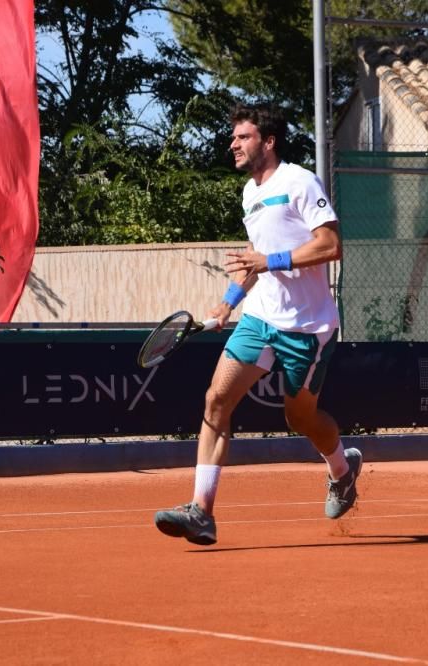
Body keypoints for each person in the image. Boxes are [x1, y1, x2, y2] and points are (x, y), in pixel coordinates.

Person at [154, 104, 362, 545]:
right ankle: (201, 512)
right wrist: (228, 303)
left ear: (267, 142)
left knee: (300, 419)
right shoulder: (250, 194)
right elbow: (254, 257)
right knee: (215, 401)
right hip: (260, 318)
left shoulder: (300, 182)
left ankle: (342, 471)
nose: (233, 143)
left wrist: (271, 261)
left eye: (243, 137)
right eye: (234, 137)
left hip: (308, 327)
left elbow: (331, 244)